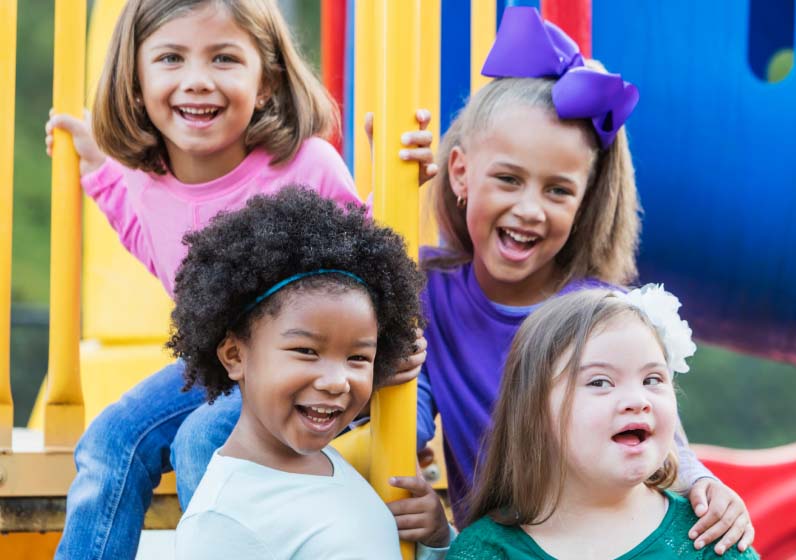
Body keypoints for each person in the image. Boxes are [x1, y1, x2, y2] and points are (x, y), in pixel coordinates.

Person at [44, 0, 429, 557]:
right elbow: (136, 226)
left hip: (329, 365)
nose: (197, 81)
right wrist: (94, 167)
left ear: (267, 81)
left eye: (224, 58)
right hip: (233, 366)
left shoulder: (305, 165)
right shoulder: (147, 185)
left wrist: (406, 181)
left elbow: (367, 257)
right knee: (110, 440)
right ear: (134, 82)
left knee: (205, 436)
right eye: (171, 58)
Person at [417, 6, 753, 555]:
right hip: (508, 542)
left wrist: (706, 485)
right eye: (508, 179)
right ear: (460, 173)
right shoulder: (431, 296)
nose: (530, 208)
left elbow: (664, 443)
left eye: (557, 191)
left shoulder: (601, 311)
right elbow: (395, 410)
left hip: (606, 533)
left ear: (584, 200)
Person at [168, 187, 450, 559]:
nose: (336, 381)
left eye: (358, 358)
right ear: (235, 355)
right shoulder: (222, 521)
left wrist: (437, 538)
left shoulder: (331, 464)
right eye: (306, 351)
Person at [446, 286, 759, 559]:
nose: (638, 400)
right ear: (536, 411)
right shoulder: (486, 551)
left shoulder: (711, 540)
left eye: (652, 378)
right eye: (600, 382)